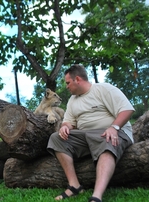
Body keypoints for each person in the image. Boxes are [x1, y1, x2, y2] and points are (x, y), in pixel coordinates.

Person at [47, 64, 135, 202]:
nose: (67, 86)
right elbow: (69, 121)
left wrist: (114, 128)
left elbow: (127, 110)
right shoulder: (72, 100)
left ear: (77, 79)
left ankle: (96, 196)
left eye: (68, 83)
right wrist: (65, 126)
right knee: (56, 138)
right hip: (87, 136)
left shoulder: (104, 89)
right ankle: (74, 186)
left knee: (107, 140)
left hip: (111, 132)